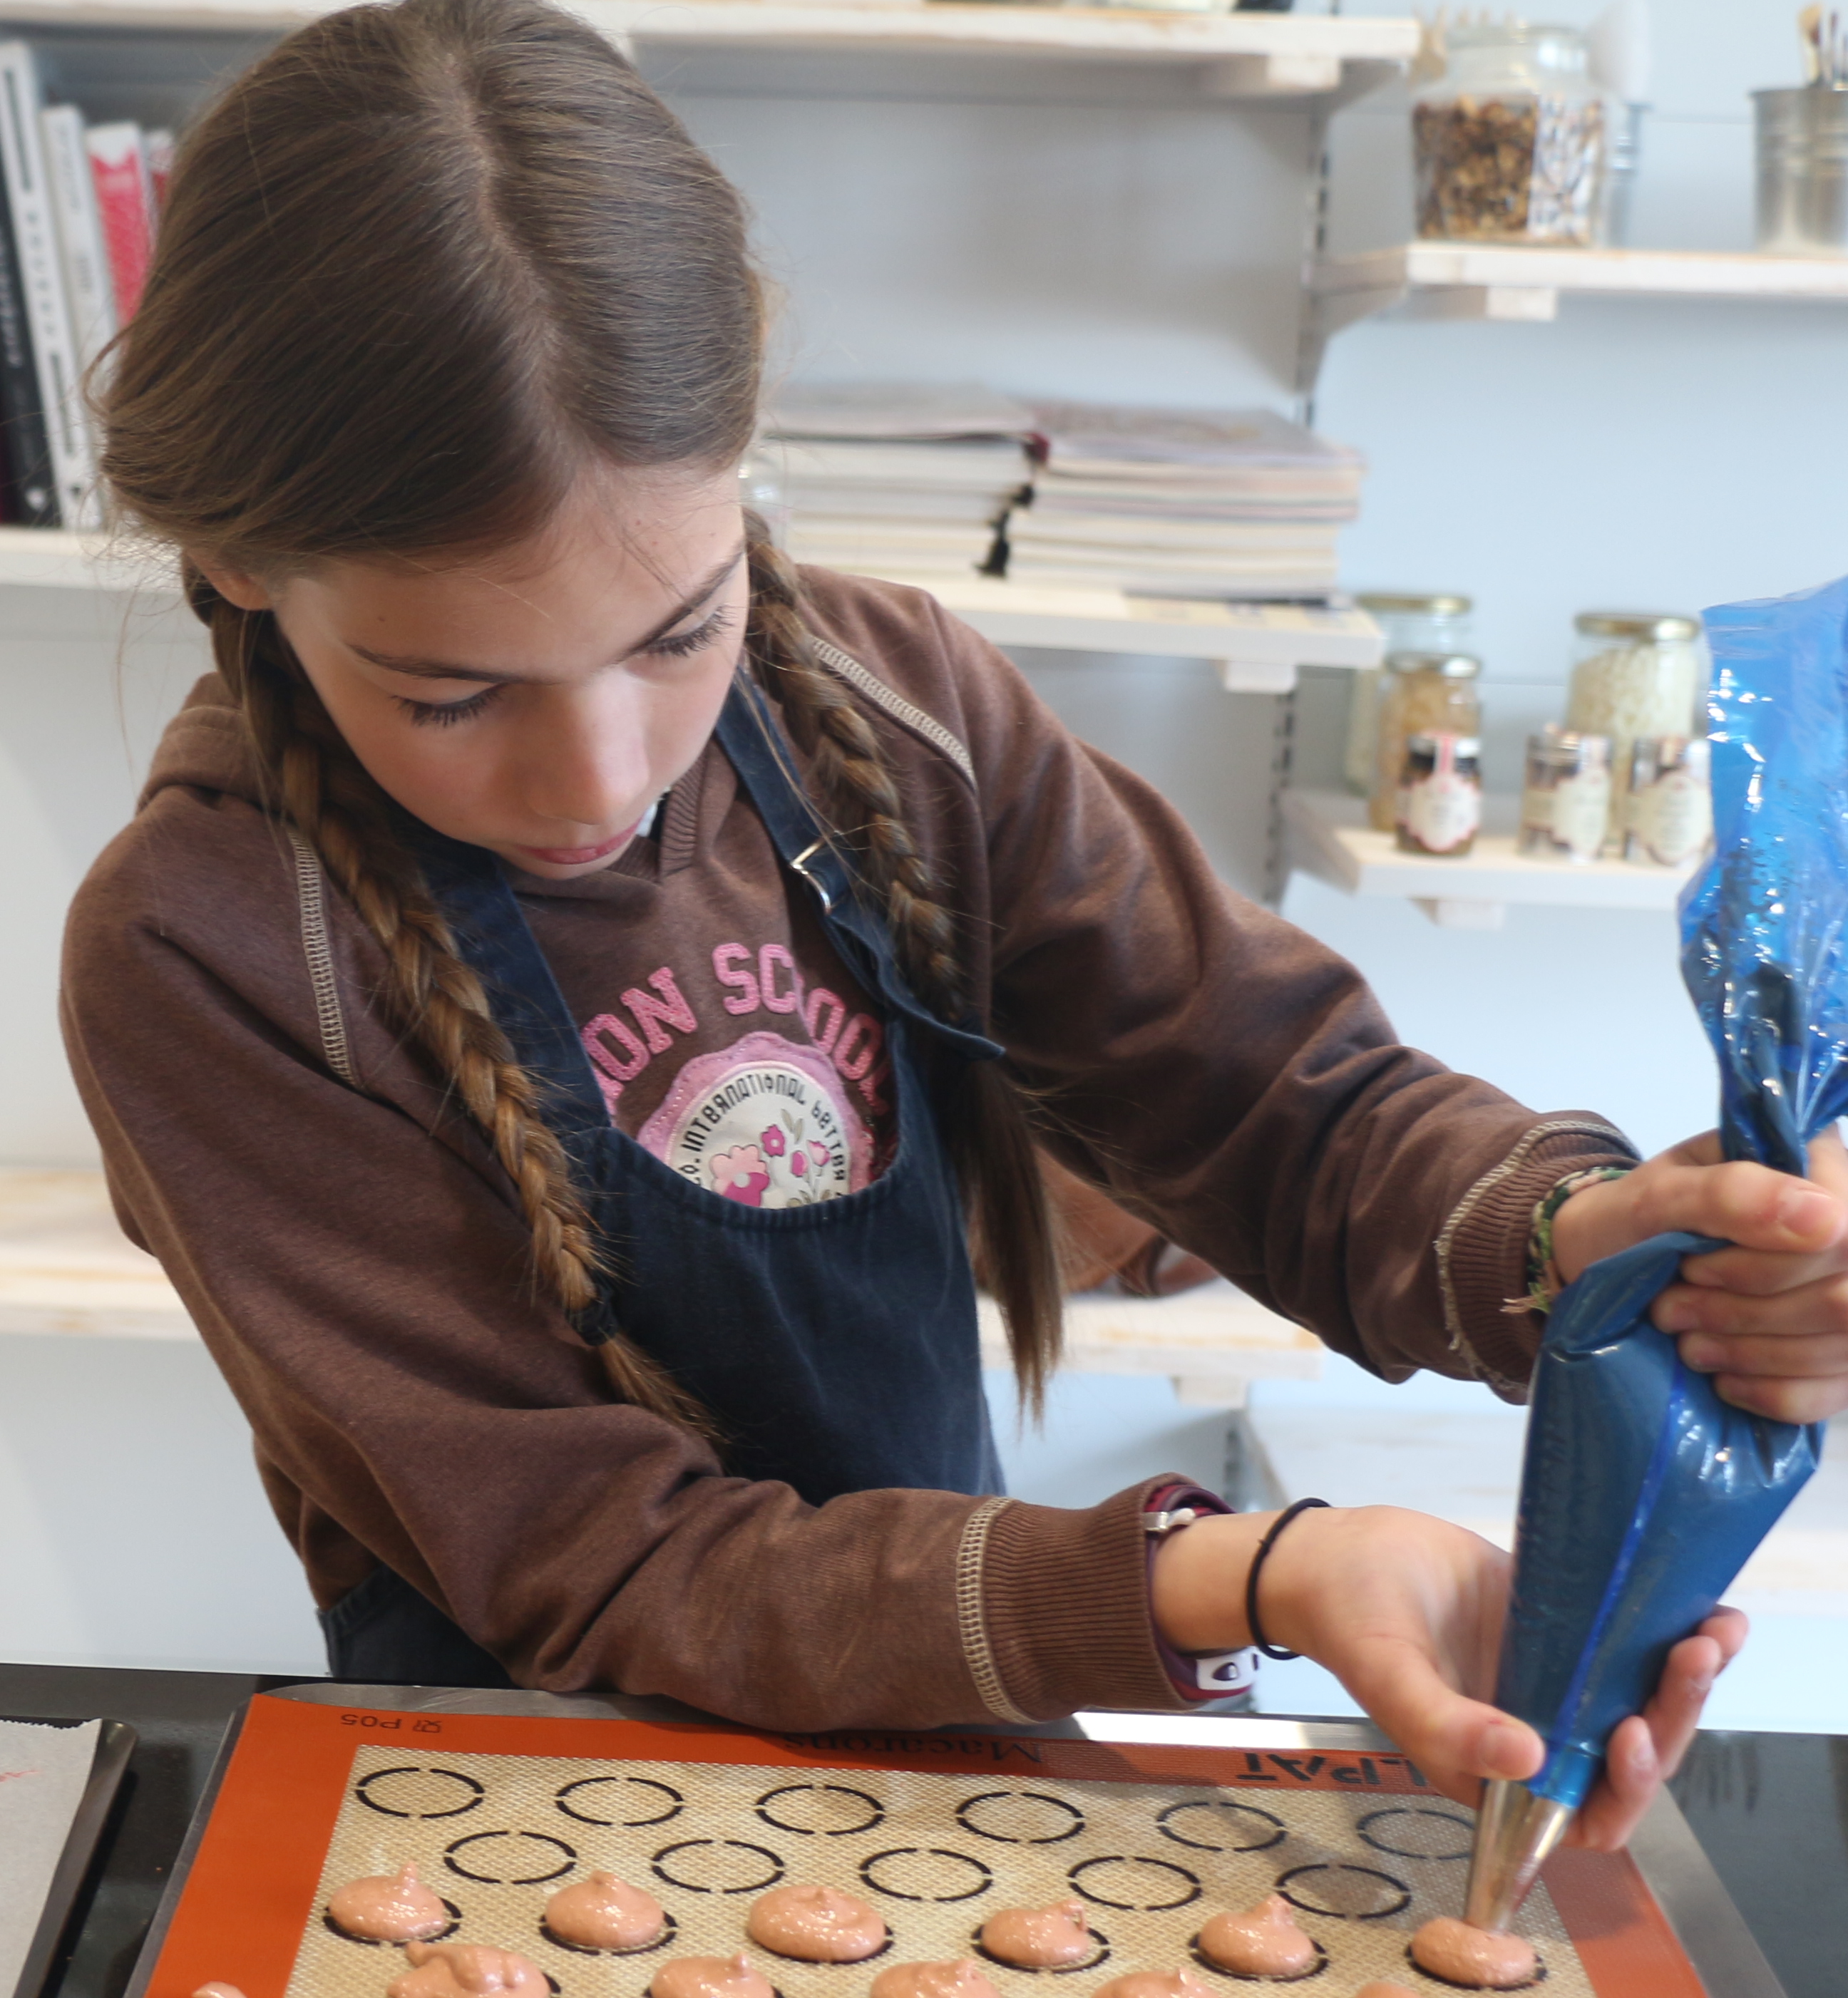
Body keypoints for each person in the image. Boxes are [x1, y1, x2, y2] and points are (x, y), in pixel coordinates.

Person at [60, 0, 1848, 1854]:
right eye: (453, 695)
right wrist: (1236, 1581)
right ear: (238, 561)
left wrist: (1594, 1250)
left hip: (949, 1775)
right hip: (520, 1829)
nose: (603, 777)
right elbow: (613, 1562)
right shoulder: (207, 952)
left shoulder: (890, 702)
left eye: (681, 631)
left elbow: (1280, 1108)